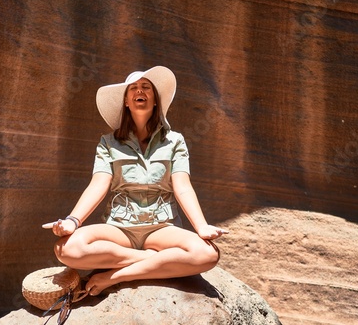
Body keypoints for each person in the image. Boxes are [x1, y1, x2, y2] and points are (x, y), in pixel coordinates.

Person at [43, 65, 228, 296]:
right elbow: (98, 183)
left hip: (162, 228)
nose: (140, 91)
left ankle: (117, 275)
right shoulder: (108, 143)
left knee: (208, 254)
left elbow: (183, 186)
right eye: (133, 88)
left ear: (155, 101)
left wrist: (201, 227)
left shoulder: (175, 141)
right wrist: (73, 220)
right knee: (65, 249)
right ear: (126, 102)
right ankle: (152, 260)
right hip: (119, 227)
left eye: (146, 87)